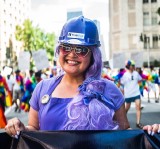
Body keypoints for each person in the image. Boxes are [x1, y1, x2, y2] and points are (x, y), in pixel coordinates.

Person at [5, 16, 160, 137]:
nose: (72, 54)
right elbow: (33, 129)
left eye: (81, 49)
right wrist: (20, 127)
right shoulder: (43, 88)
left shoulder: (110, 90)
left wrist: (147, 133)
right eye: (66, 47)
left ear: (93, 55)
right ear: (59, 50)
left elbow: (125, 135)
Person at [120, 60, 144, 129]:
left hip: (136, 93)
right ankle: (122, 120)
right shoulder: (124, 75)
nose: (133, 67)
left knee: (138, 107)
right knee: (127, 108)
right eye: (132, 65)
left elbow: (140, 79)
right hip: (128, 94)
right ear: (128, 66)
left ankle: (138, 123)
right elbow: (121, 84)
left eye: (134, 65)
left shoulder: (136, 73)